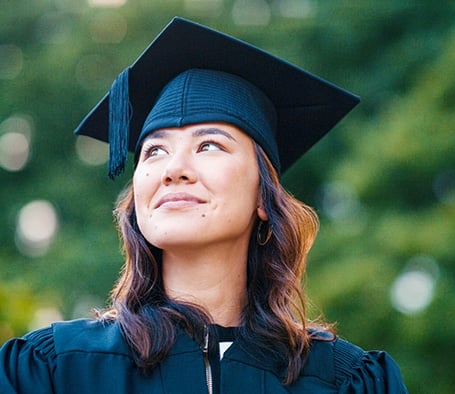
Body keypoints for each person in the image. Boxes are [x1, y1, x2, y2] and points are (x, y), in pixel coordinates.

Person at [0, 17, 408, 393]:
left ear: (264, 199)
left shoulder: (344, 381)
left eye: (209, 145)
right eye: (154, 151)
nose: (174, 169)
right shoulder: (55, 371)